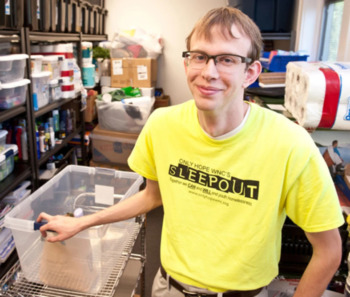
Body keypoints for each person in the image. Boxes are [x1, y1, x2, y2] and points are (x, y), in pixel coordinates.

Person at [37, 7, 345, 297]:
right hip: (169, 287)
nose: (209, 72)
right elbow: (152, 196)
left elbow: (329, 250)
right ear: (187, 63)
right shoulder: (162, 124)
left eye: (226, 59)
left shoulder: (290, 144)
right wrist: (81, 222)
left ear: (250, 73)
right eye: (200, 56)